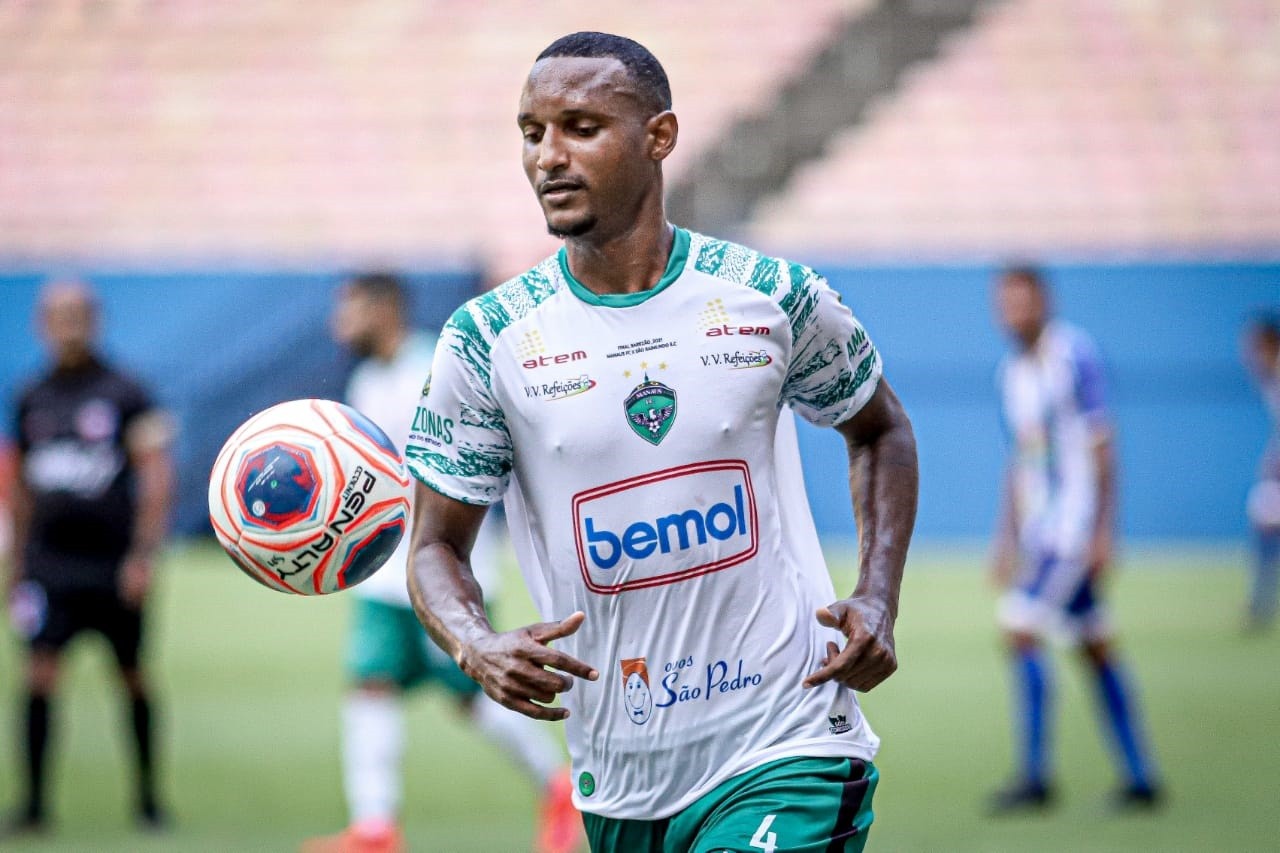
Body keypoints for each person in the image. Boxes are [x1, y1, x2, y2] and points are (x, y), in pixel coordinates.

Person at [404, 32, 919, 853]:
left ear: (659, 137)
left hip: (785, 740)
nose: (548, 156)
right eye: (532, 132)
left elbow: (881, 429)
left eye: (580, 126)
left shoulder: (769, 298)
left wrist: (878, 595)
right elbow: (433, 544)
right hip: (621, 777)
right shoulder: (488, 340)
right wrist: (475, 642)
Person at [302, 273, 581, 853]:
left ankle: (559, 787)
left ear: (384, 309)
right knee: (369, 684)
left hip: (441, 568)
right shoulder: (368, 376)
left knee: (473, 691)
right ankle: (375, 829)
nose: (340, 324)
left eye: (350, 309)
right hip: (380, 572)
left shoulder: (431, 369)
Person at [988, 266, 1161, 812]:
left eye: (1022, 300)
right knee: (1094, 644)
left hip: (1074, 529)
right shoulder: (1010, 373)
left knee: (1019, 627)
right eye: (1005, 302)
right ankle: (1141, 778)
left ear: (1045, 301)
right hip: (1042, 530)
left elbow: (1102, 444)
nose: (1013, 311)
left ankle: (1035, 779)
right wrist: (1006, 536)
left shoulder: (1073, 355)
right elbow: (1021, 460)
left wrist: (1105, 530)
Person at [3, 280, 173, 835]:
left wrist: (143, 555)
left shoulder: (126, 392)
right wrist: (15, 565)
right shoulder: (31, 396)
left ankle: (149, 802)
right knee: (39, 675)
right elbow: (20, 486)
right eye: (58, 317)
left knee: (131, 676)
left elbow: (155, 476)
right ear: (42, 325)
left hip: (111, 565)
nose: (69, 326)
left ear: (95, 320)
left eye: (78, 315)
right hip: (50, 566)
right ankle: (33, 807)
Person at [1242, 311, 1280, 632]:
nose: (1247, 354)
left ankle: (1260, 603)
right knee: (1264, 521)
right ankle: (1259, 603)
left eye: (1252, 346)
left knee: (1265, 521)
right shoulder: (1270, 379)